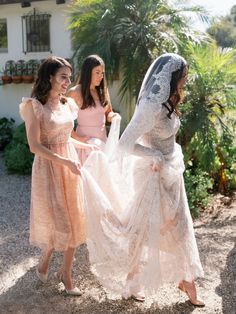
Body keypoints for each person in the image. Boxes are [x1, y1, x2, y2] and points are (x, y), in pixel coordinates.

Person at [82, 53, 205, 306]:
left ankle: (186, 279)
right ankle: (132, 281)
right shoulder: (151, 106)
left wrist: (165, 156)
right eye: (183, 76)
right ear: (170, 77)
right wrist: (154, 154)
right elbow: (125, 144)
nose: (185, 80)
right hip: (152, 173)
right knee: (141, 230)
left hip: (171, 170)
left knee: (180, 225)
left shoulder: (169, 99)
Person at [19, 56, 96, 296]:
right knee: (57, 221)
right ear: (49, 77)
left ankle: (65, 273)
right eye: (63, 77)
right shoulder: (34, 106)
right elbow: (34, 146)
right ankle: (45, 262)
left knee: (74, 220)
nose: (67, 82)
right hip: (49, 168)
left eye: (69, 78)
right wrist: (65, 161)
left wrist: (85, 147)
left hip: (70, 165)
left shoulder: (66, 105)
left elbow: (66, 135)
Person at [67, 54, 120, 163]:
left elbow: (108, 113)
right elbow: (63, 121)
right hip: (85, 144)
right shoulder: (74, 92)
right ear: (88, 72)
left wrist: (114, 116)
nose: (101, 76)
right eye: (97, 72)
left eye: (102, 73)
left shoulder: (103, 91)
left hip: (103, 141)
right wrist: (78, 138)